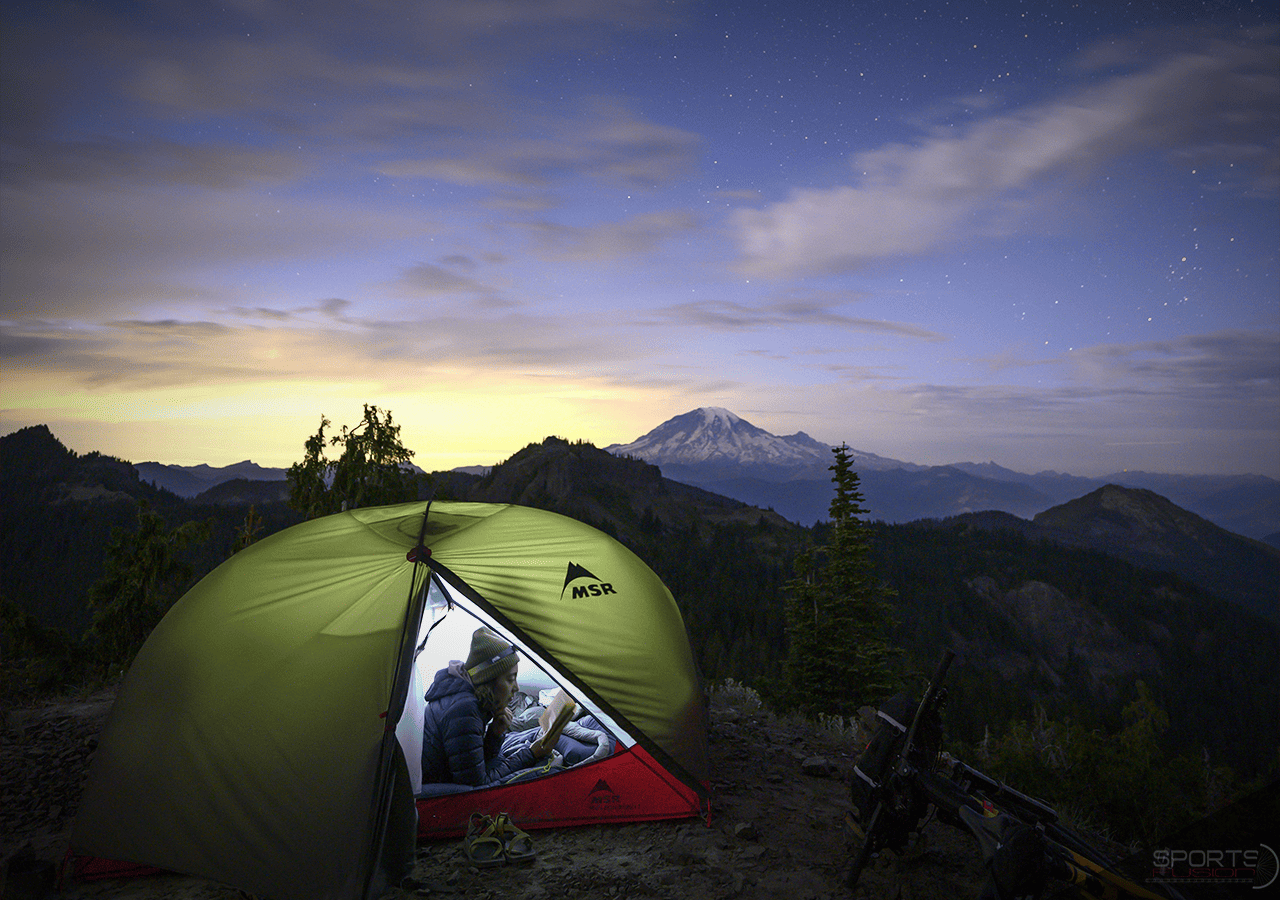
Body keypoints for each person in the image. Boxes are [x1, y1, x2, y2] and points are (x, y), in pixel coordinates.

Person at [420, 626, 554, 786]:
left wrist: (495, 734)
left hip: (448, 776)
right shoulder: (463, 710)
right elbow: (476, 785)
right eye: (511, 679)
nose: (516, 688)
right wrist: (531, 754)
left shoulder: (469, 699)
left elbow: (476, 762)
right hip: (439, 793)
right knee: (547, 773)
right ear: (489, 682)